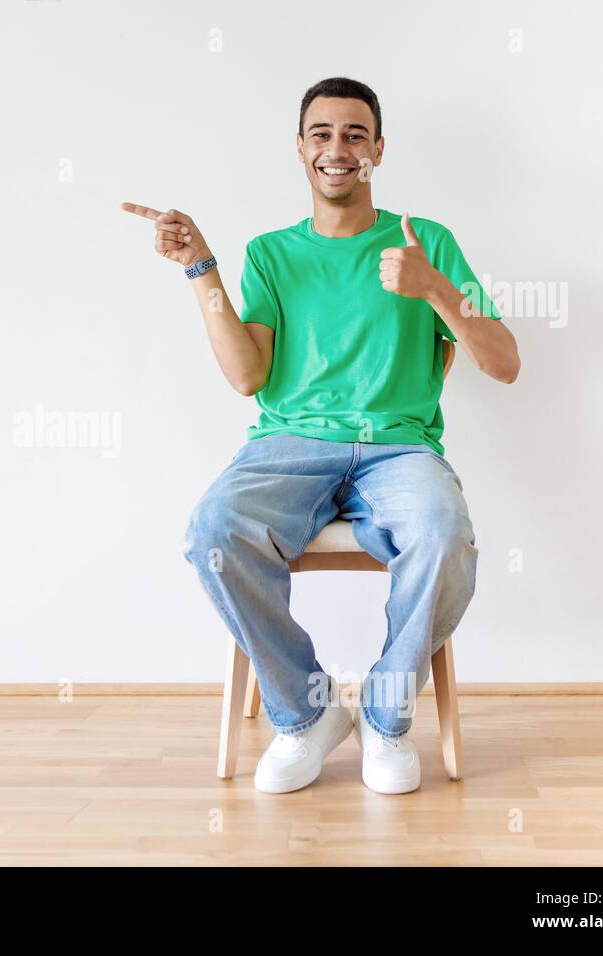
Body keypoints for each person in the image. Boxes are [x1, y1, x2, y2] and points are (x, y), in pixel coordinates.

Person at [121, 77, 519, 796]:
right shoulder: (272, 254)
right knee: (215, 528)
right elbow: (247, 377)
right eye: (322, 133)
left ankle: (384, 713)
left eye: (355, 135)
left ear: (378, 152)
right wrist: (199, 269)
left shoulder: (424, 241)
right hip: (289, 446)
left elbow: (504, 363)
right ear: (301, 149)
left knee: (443, 532)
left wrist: (435, 288)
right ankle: (307, 714)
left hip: (400, 448)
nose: (337, 148)